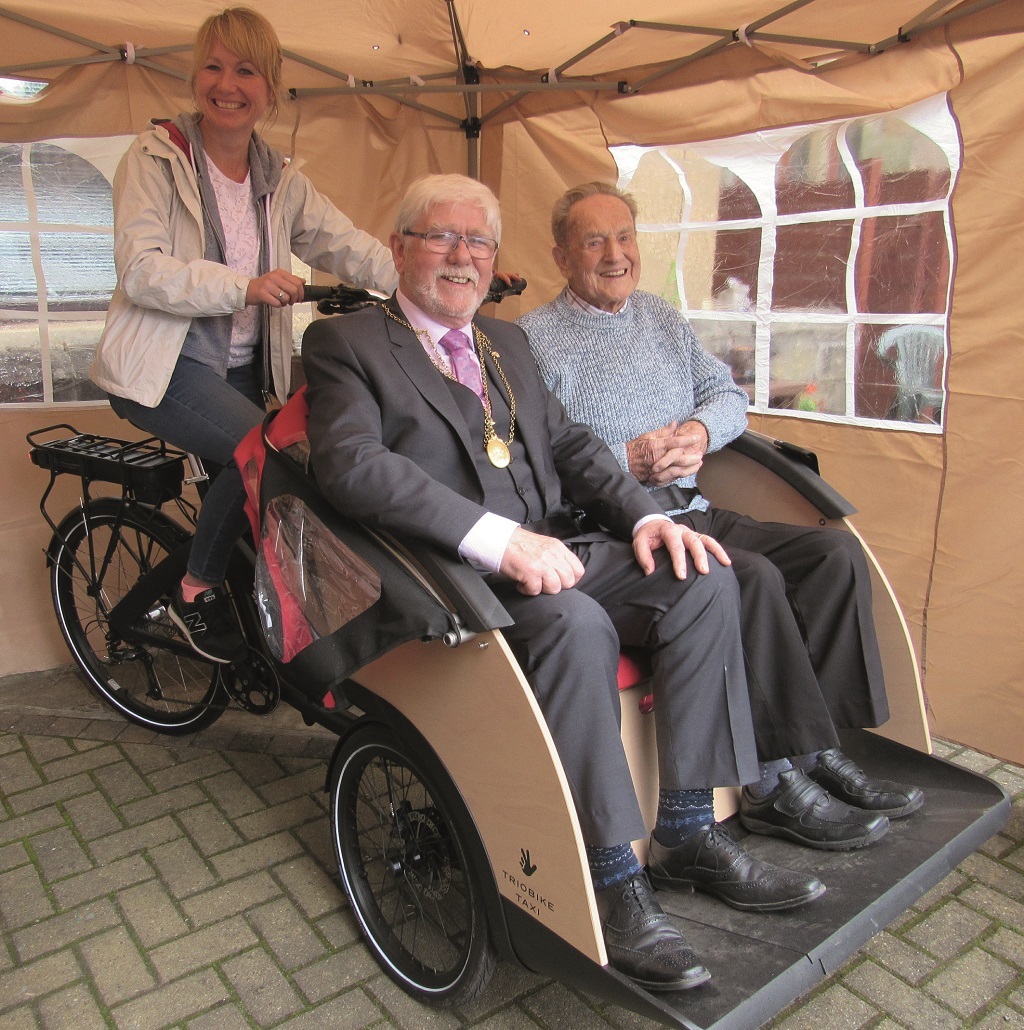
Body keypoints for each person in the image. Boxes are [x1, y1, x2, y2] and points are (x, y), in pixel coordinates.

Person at [301, 172, 844, 993]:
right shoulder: (347, 345)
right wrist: (500, 539)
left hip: (562, 547)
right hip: (452, 573)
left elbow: (577, 447)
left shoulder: (506, 342)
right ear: (402, 245)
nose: (462, 256)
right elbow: (350, 466)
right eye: (442, 237)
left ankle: (690, 832)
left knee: (700, 575)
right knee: (577, 622)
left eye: (477, 241)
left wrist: (644, 521)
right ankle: (610, 881)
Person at [517, 180, 924, 850]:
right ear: (562, 256)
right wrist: (630, 458)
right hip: (621, 527)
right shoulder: (532, 340)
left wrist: (702, 434)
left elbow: (726, 394)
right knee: (752, 574)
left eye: (624, 237)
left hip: (695, 506)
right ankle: (776, 778)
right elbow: (543, 461)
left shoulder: (661, 317)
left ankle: (823, 748)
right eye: (594, 241)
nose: (614, 254)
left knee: (833, 556)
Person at [89, 7, 399, 663]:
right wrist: (244, 285)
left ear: (271, 88)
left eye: (246, 71)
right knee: (261, 450)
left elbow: (348, 245)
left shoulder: (277, 179)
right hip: (161, 369)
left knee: (303, 453)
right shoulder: (154, 159)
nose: (227, 84)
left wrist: (432, 280)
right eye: (214, 66)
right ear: (194, 75)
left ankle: (247, 591)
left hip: (238, 372)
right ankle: (195, 589)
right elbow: (142, 271)